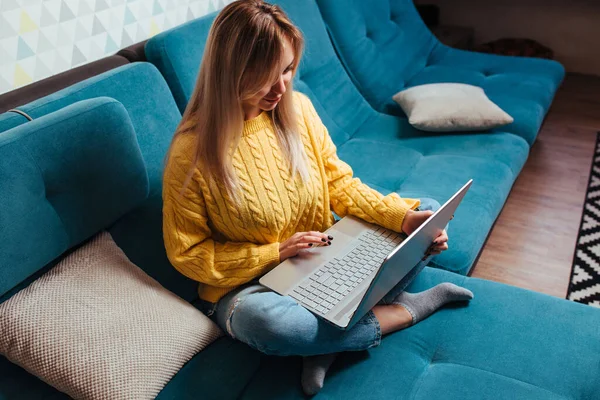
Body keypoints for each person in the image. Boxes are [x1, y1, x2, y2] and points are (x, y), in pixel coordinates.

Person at [162, 0, 473, 395]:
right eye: (265, 77)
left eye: (288, 69)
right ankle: (403, 311)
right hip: (250, 289)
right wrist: (273, 254)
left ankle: (324, 341)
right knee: (271, 325)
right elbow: (187, 253)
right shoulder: (191, 154)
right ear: (230, 73)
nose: (282, 88)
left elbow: (339, 185)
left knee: (426, 211)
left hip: (322, 258)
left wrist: (402, 219)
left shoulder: (299, 111)